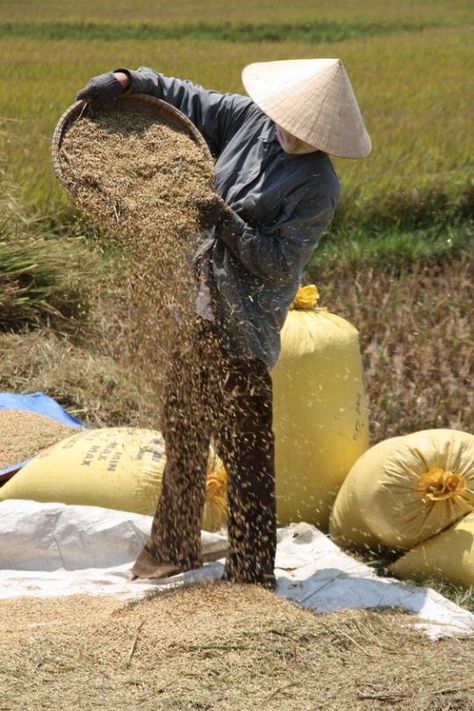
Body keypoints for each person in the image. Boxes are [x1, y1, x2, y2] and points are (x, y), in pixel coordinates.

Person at [77, 58, 371, 590]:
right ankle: (170, 552)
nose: (287, 128)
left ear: (321, 134)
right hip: (196, 310)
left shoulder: (317, 185)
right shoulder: (252, 120)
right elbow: (186, 96)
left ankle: (251, 574)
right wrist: (125, 80)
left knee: (246, 451)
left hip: (243, 329)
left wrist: (226, 223)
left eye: (302, 127)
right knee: (183, 434)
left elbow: (281, 262)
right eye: (286, 116)